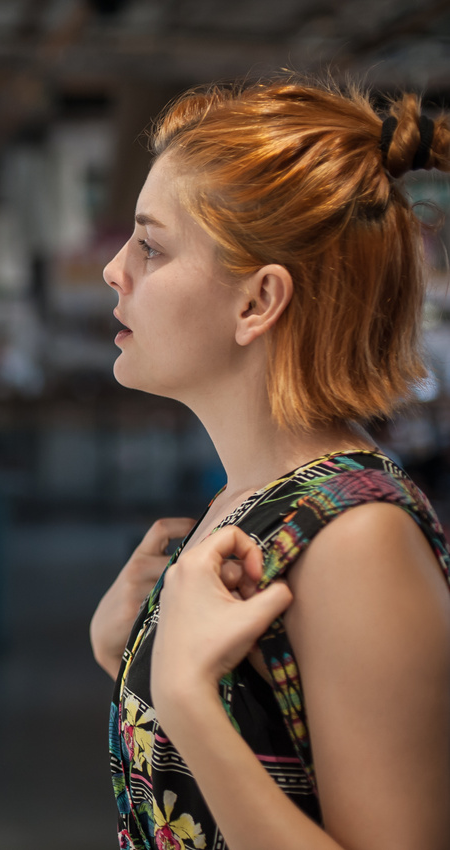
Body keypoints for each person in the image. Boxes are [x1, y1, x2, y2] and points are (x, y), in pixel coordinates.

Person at [90, 77, 450, 850]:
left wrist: (182, 694)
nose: (113, 271)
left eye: (150, 247)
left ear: (256, 303)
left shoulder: (358, 541)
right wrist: (130, 657)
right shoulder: (250, 502)